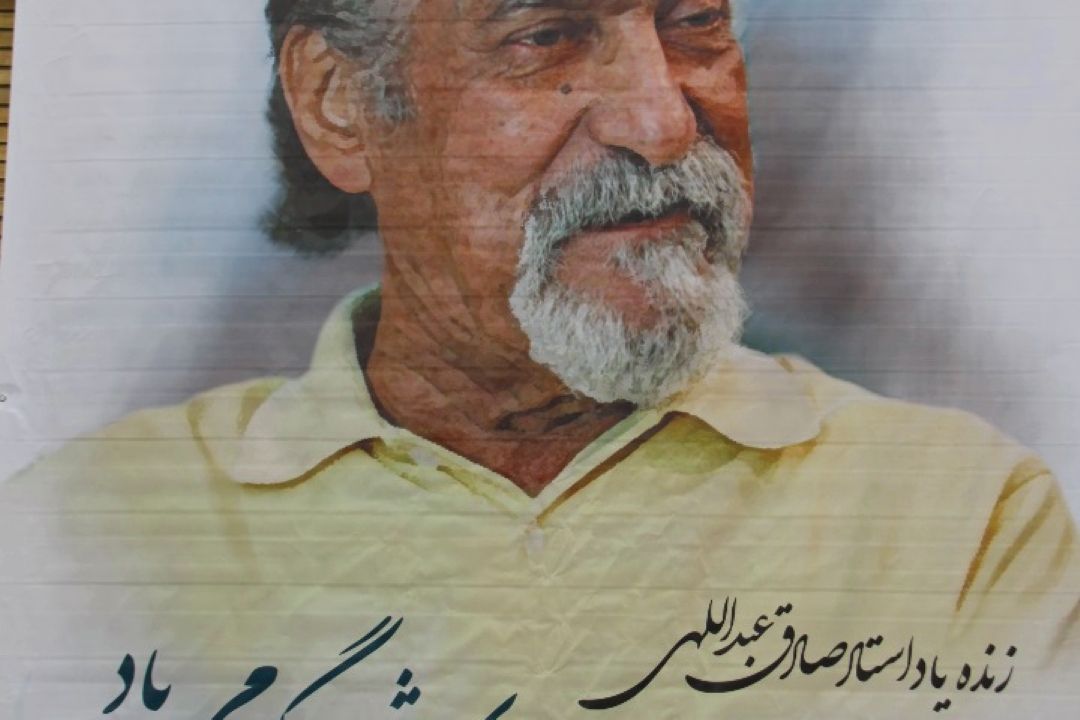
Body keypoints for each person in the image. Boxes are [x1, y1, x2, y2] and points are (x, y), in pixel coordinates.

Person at [0, 1, 1076, 717]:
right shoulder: (85, 535)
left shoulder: (959, 520)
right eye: (546, 35)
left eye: (696, 23)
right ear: (338, 100)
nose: (663, 121)